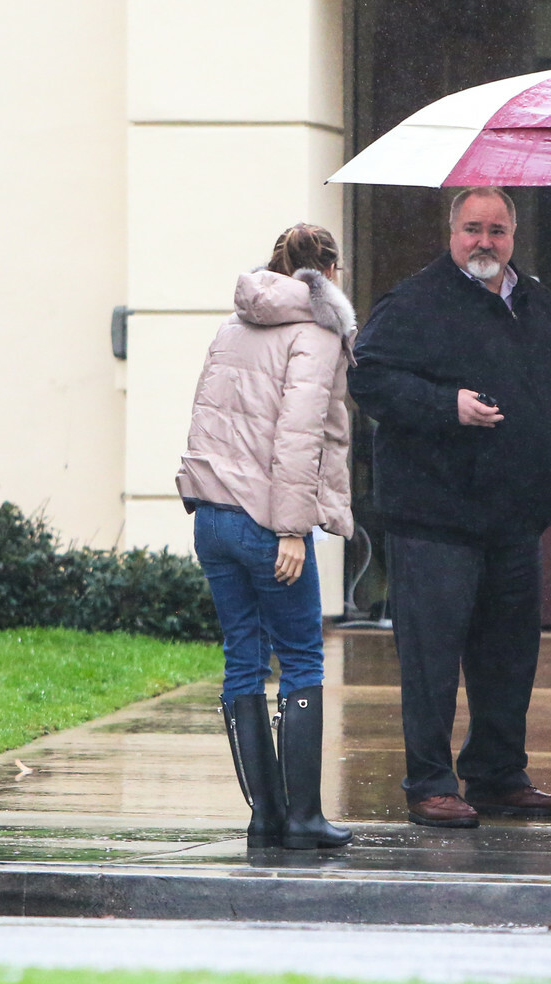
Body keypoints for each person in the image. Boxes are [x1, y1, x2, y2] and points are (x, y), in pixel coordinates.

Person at [348, 187, 551, 829]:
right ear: (452, 233)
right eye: (472, 228)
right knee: (432, 659)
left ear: (513, 236)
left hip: (515, 516)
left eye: (497, 230)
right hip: (435, 515)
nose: (484, 242)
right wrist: (448, 406)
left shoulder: (537, 302)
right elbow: (369, 378)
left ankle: (497, 776)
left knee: (508, 658)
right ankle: (430, 784)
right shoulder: (414, 302)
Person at [176, 223, 356, 849]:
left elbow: (205, 417)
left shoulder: (234, 324)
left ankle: (265, 817)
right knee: (302, 657)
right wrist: (292, 530)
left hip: (212, 515)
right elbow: (299, 438)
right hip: (265, 520)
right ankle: (303, 818)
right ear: (327, 272)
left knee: (243, 660)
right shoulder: (316, 333)